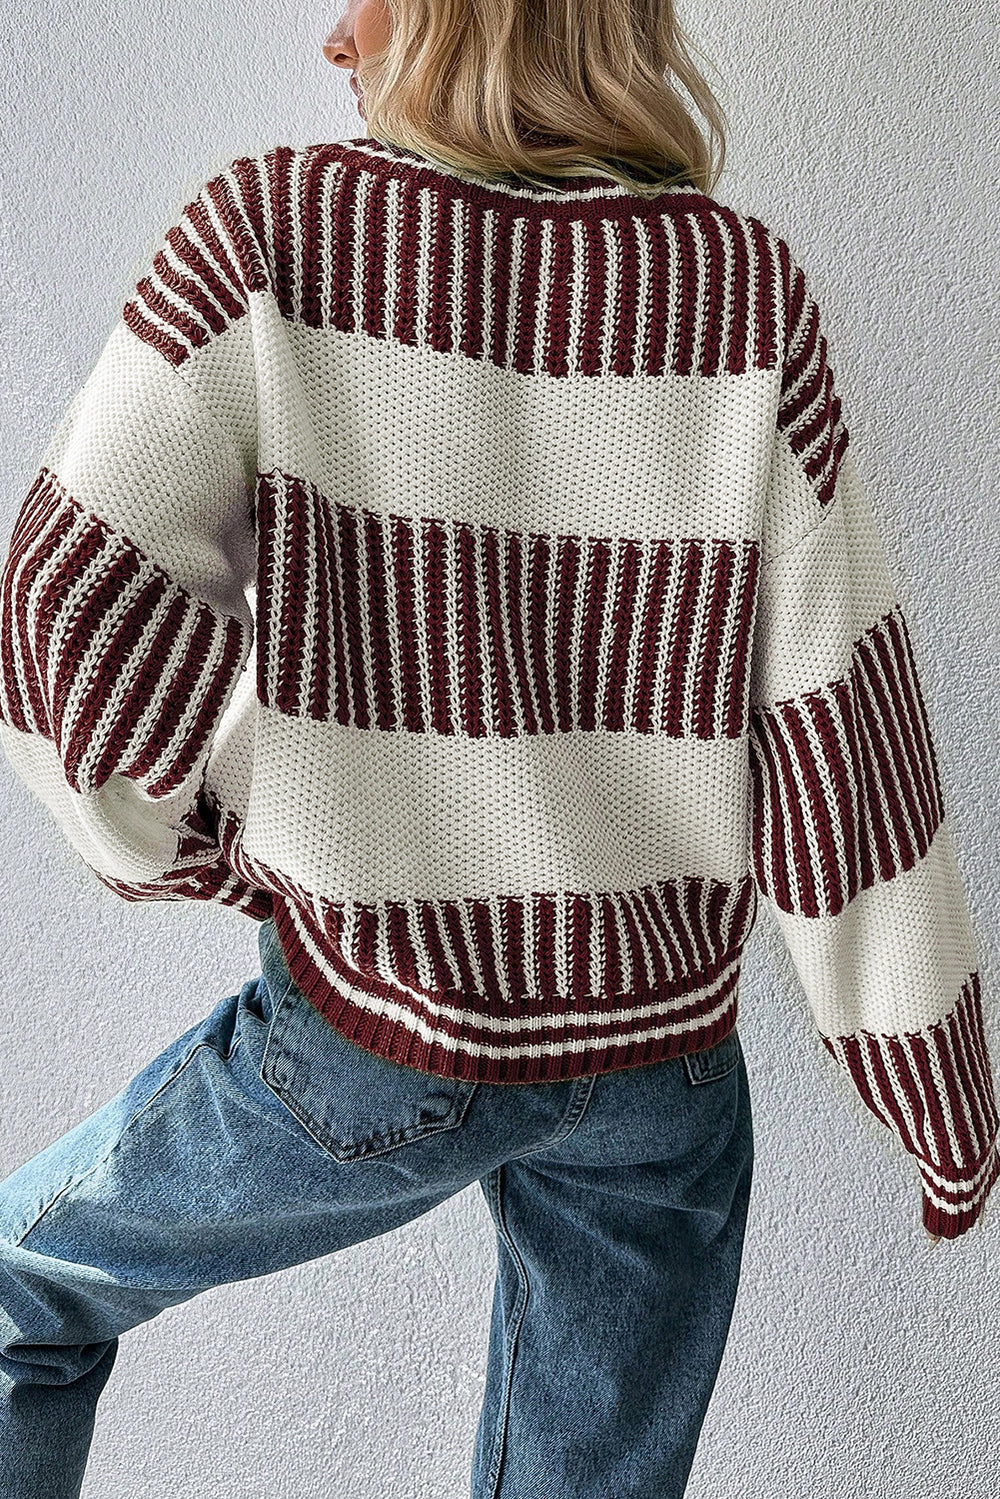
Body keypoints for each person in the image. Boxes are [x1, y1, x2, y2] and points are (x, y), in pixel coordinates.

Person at [0, 0, 995, 1494]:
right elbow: (841, 730)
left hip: (379, 1031)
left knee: (20, 1302)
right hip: (660, 1067)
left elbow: (64, 614)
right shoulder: (743, 295)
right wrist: (939, 1095)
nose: (335, 38)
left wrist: (212, 837)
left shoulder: (274, 237)